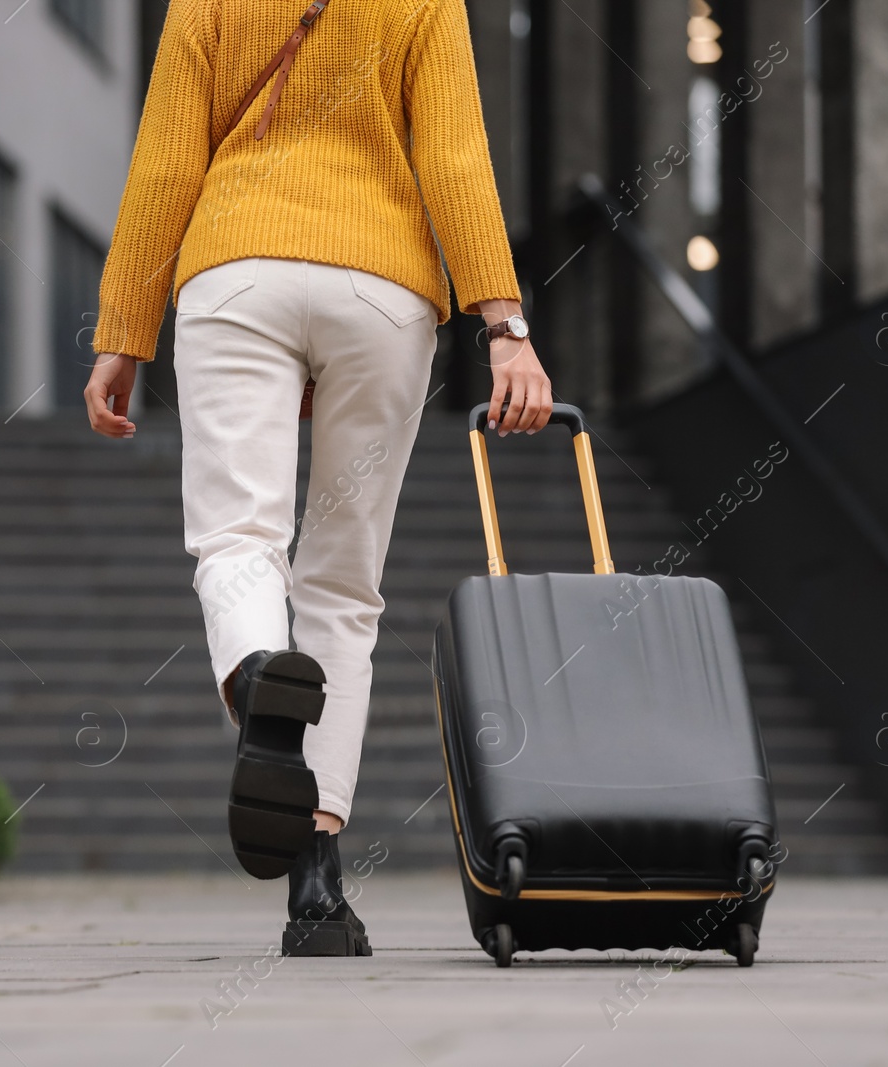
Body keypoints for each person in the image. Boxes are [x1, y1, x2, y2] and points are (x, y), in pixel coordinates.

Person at [84, 0, 551, 956]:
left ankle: (258, 677)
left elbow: (167, 162)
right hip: (382, 292)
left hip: (236, 271)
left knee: (239, 536)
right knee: (342, 583)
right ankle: (317, 883)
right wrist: (507, 330)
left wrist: (121, 333)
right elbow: (455, 160)